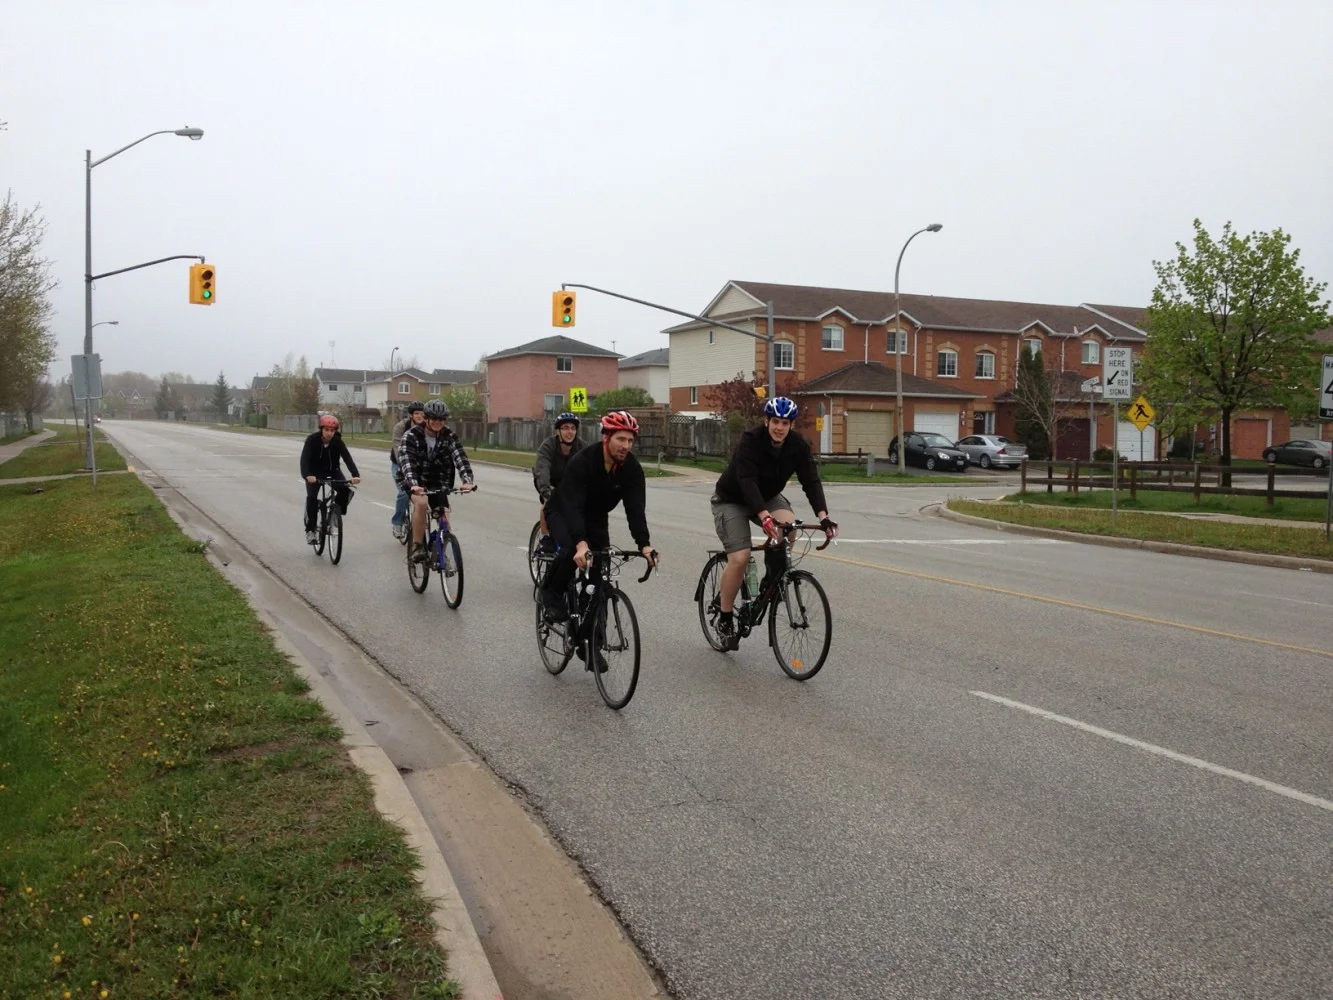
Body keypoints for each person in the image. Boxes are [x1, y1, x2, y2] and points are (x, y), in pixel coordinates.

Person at [709, 396, 837, 648]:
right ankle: (724, 619)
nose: (780, 427)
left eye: (785, 423)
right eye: (775, 421)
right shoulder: (750, 441)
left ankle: (771, 581)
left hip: (767, 497)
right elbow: (746, 479)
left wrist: (824, 517)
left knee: (789, 530)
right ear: (766, 421)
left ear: (791, 426)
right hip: (732, 499)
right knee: (740, 557)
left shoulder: (797, 446)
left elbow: (810, 481)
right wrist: (764, 516)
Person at [539, 410, 657, 623]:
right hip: (563, 509)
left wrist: (644, 544)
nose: (626, 446)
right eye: (620, 439)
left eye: (630, 440)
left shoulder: (632, 469)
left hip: (595, 516)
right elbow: (573, 506)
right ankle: (551, 593)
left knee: (599, 576)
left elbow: (635, 509)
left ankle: (592, 642)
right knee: (571, 550)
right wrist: (581, 543)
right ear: (606, 438)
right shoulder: (583, 461)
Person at [398, 400, 476, 563]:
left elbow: (460, 457)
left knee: (445, 518)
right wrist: (413, 484)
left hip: (439, 483)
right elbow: (407, 461)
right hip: (415, 481)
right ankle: (417, 546)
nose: (437, 422)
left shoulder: (450, 436)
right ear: (426, 418)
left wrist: (467, 480)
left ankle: (441, 550)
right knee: (421, 504)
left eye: (441, 419)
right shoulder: (411, 436)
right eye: (433, 418)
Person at [300, 413, 361, 544]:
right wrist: (307, 475)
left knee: (345, 490)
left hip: (332, 471)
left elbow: (347, 458)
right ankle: (310, 531)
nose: (329, 433)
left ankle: (335, 513)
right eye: (327, 430)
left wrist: (355, 474)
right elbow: (304, 460)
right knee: (312, 498)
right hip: (314, 473)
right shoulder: (312, 440)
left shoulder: (337, 441)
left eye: (332, 431)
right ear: (321, 429)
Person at [532, 412, 582, 552]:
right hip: (549, 480)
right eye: (565, 428)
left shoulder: (581, 447)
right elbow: (542, 468)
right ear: (558, 431)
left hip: (570, 483)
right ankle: (545, 538)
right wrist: (545, 490)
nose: (570, 431)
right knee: (549, 502)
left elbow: (591, 469)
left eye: (573, 428)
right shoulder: (548, 445)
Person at [389, 400, 426, 539]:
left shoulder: (426, 427)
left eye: (422, 413)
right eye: (416, 413)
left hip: (418, 465)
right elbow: (398, 449)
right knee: (404, 492)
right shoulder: (400, 427)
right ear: (411, 415)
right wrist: (406, 467)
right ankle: (397, 522)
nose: (419, 416)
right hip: (399, 465)